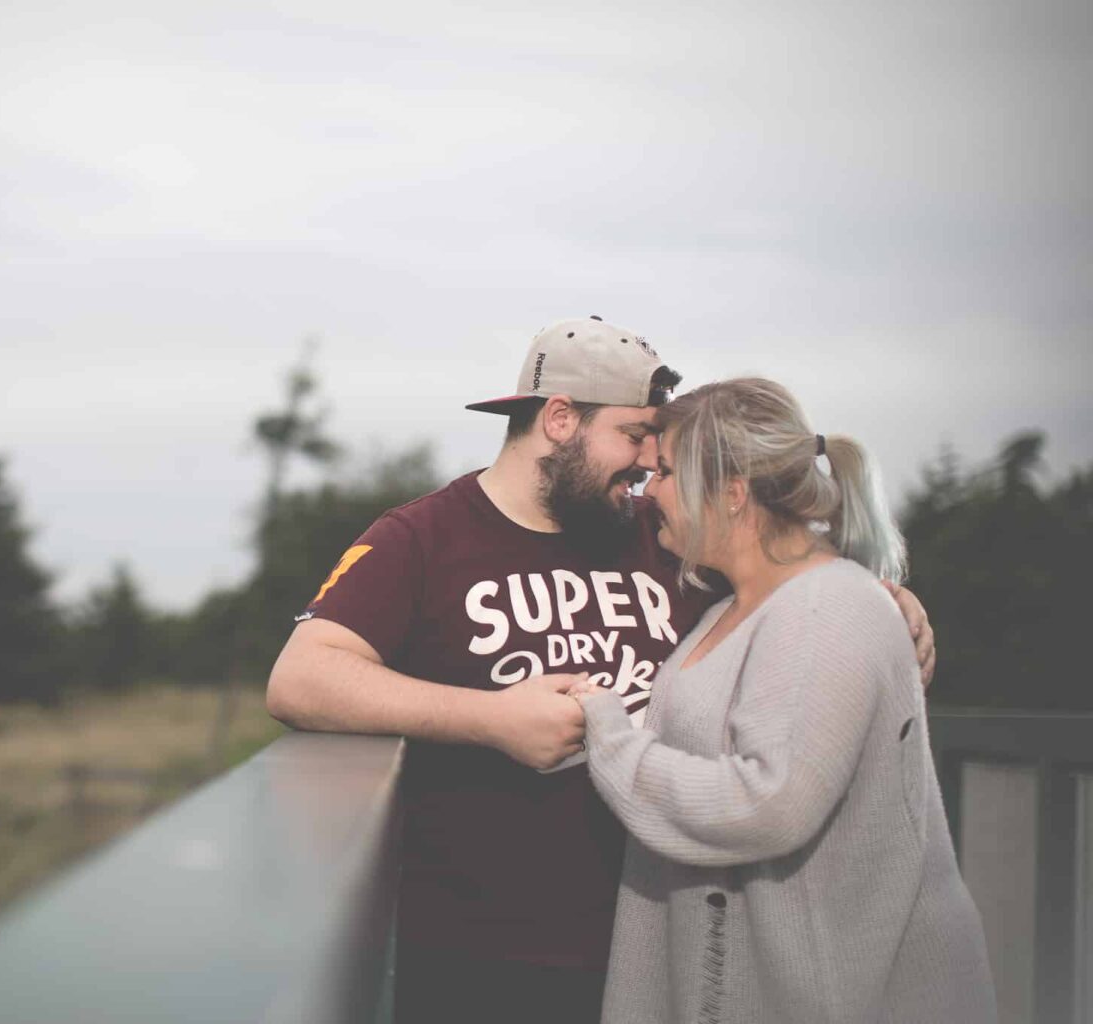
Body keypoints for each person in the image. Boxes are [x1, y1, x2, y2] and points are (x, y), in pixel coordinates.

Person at [266, 320, 937, 1023]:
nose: (649, 460)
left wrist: (891, 601)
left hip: (663, 950)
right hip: (479, 958)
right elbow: (302, 678)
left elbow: (792, 583)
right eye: (633, 434)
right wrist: (490, 717)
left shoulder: (665, 529)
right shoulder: (422, 537)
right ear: (560, 419)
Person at [575, 377, 993, 1023]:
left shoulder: (828, 607)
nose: (647, 489)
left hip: (827, 996)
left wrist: (605, 729)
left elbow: (766, 805)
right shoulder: (729, 609)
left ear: (732, 493)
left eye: (663, 473)